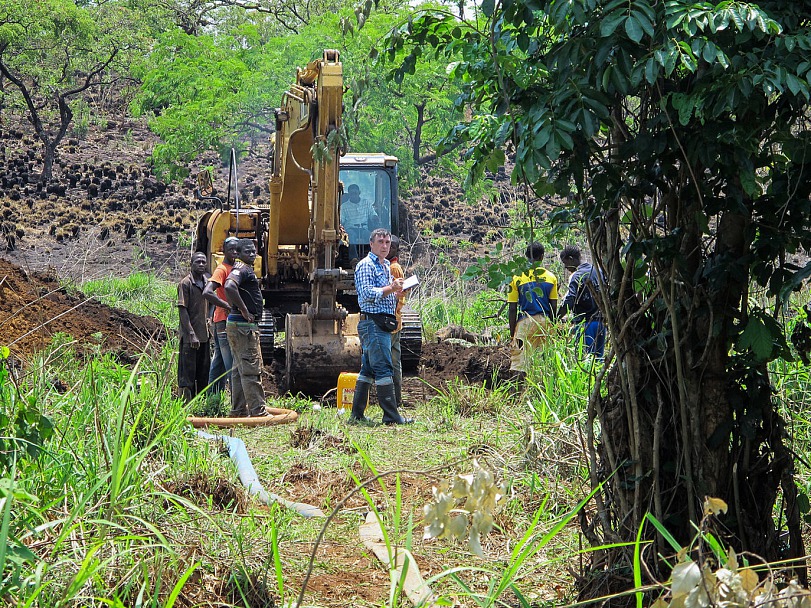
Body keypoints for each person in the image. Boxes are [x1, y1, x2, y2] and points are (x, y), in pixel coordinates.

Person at [350, 228, 413, 425]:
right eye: (381, 242)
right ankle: (391, 416)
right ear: (372, 244)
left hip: (382, 321)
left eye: (387, 242)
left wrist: (397, 293)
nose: (385, 246)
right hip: (373, 322)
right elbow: (367, 294)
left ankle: (357, 414)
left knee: (368, 370)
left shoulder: (386, 266)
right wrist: (391, 288)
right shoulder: (366, 266)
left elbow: (384, 295)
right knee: (385, 367)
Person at [224, 239, 270, 417]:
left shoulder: (240, 269)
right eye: (247, 252)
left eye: (253, 251)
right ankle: (258, 411)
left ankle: (238, 410)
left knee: (238, 369)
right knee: (251, 367)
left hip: (237, 326)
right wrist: (244, 310)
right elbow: (229, 286)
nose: (252, 255)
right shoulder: (242, 269)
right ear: (238, 253)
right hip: (243, 327)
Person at [507, 242, 558, 372]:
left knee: (519, 363)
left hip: (525, 323)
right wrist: (552, 326)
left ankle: (518, 391)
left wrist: (512, 333)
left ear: (525, 256)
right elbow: (553, 306)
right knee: (544, 361)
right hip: (544, 323)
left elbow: (512, 309)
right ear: (542, 257)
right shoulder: (551, 277)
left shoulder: (516, 277)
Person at [203, 236, 239, 412]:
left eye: (236, 250)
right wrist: (226, 306)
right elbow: (207, 292)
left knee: (218, 363)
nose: (234, 252)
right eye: (231, 249)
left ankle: (212, 401)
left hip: (221, 320)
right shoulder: (222, 269)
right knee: (231, 363)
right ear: (224, 250)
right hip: (223, 322)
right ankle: (236, 406)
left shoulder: (235, 268)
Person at [558, 245, 606, 359]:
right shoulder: (598, 271)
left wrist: (557, 316)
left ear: (571, 259)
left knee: (586, 361)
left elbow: (570, 299)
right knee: (598, 361)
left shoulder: (576, 276)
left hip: (585, 324)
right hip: (601, 323)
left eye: (565, 263)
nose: (565, 267)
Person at [177, 252, 211, 402]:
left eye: (204, 262)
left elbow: (212, 303)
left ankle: (202, 404)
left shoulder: (208, 282)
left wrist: (210, 318)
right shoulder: (185, 284)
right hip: (190, 338)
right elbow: (182, 310)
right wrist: (191, 333)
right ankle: (185, 405)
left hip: (204, 336)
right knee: (187, 374)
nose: (202, 265)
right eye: (198, 262)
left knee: (203, 373)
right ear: (191, 264)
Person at [386, 235, 406, 407]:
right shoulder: (393, 267)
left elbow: (396, 296)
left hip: (391, 322)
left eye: (389, 246)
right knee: (393, 362)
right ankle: (395, 399)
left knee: (389, 362)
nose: (385, 248)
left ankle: (393, 399)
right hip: (394, 321)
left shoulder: (393, 268)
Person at [340, 184, 379, 252]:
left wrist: (375, 217)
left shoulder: (366, 203)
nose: (354, 195)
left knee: (371, 237)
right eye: (352, 193)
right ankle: (353, 258)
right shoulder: (344, 206)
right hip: (350, 229)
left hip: (363, 228)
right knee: (351, 237)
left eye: (355, 193)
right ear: (349, 194)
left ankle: (372, 257)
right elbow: (342, 220)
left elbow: (372, 214)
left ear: (359, 193)